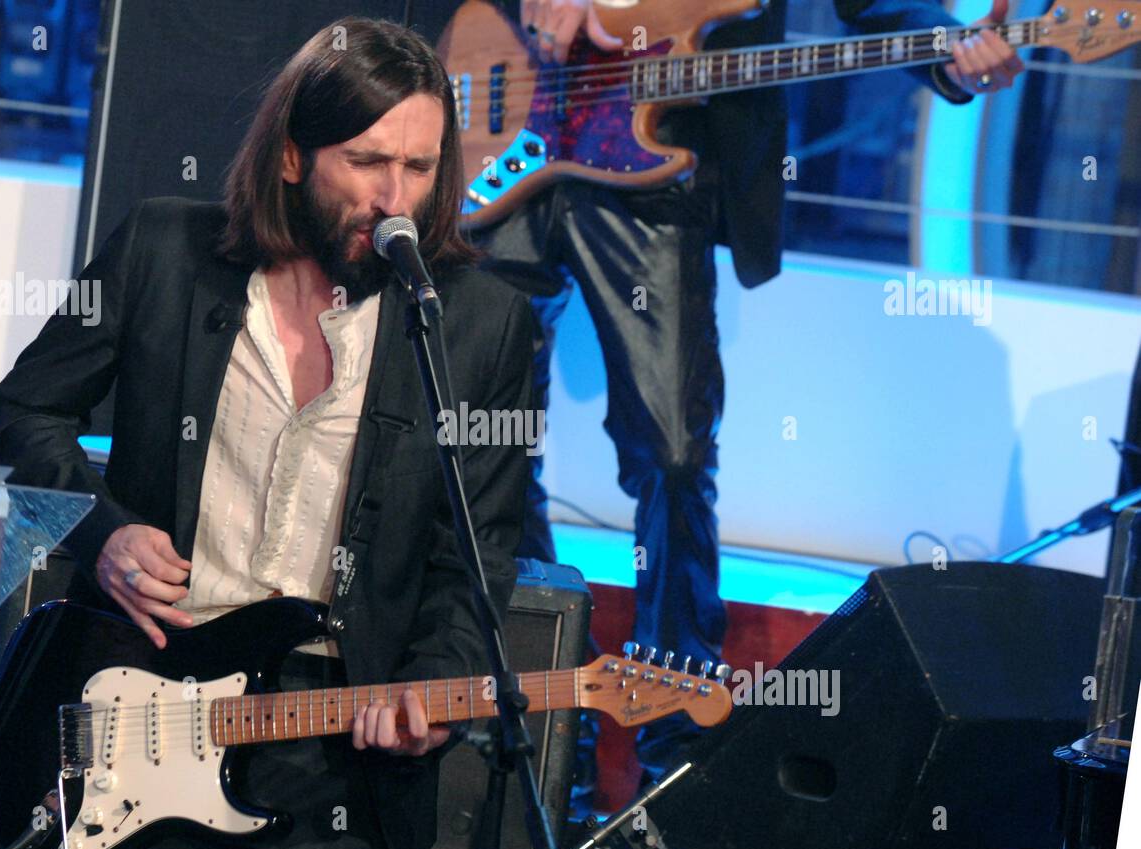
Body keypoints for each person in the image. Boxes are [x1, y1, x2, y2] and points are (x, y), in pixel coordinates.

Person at [411, 0, 1022, 775]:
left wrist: (946, 48)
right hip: (508, 132)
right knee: (481, 449)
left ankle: (676, 734)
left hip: (660, 160)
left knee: (672, 453)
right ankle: (542, 705)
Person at [0, 17, 535, 849]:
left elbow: (476, 559)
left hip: (337, 738)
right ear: (291, 157)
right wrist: (102, 535)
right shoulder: (162, 250)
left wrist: (435, 686)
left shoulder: (480, 328)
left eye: (418, 167)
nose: (395, 199)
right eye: (365, 162)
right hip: (143, 694)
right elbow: (26, 411)